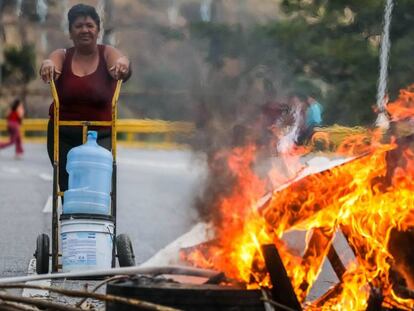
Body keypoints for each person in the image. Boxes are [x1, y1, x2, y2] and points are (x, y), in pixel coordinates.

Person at [39, 3, 131, 192]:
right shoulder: (63, 55)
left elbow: (122, 62)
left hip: (101, 134)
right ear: (70, 32)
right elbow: (50, 62)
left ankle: (97, 218)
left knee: (97, 187)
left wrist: (122, 64)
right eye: (78, 26)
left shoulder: (107, 53)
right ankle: (68, 218)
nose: (85, 30)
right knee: (66, 188)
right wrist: (48, 65)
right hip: (62, 134)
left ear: (98, 30)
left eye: (89, 25)